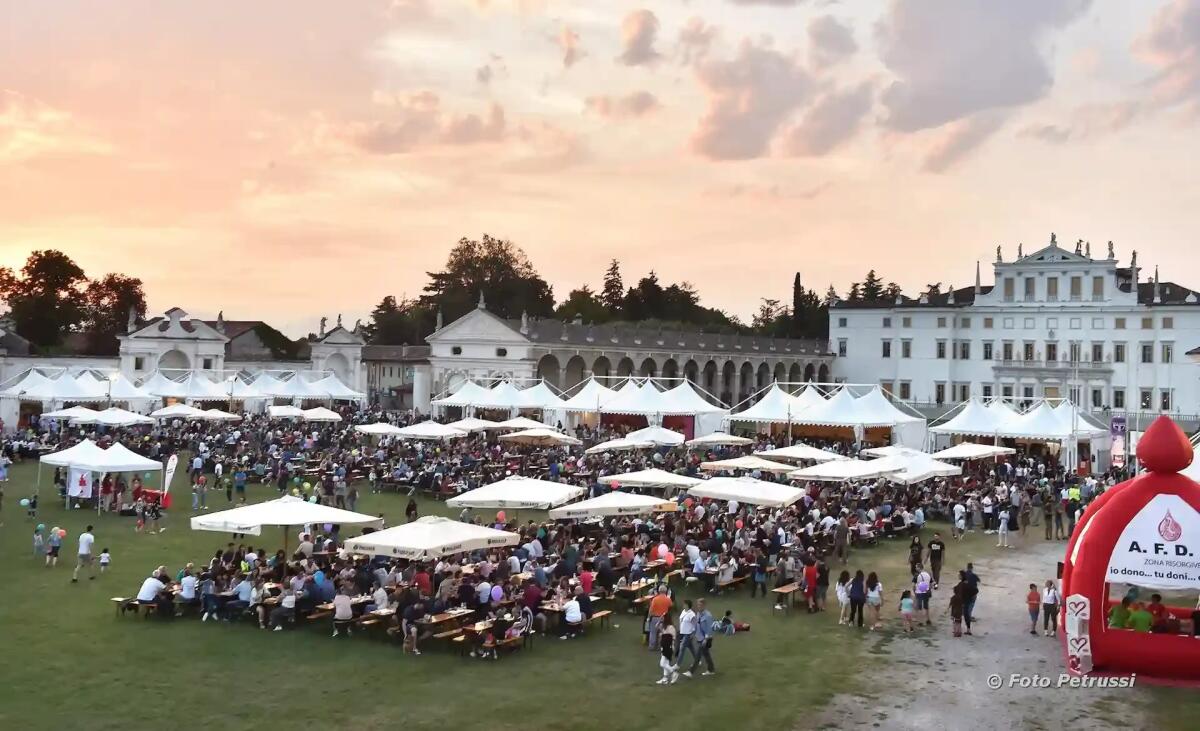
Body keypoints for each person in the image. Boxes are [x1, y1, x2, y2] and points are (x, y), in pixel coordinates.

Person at [685, 598, 715, 677]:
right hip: (700, 638)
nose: (699, 606)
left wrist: (706, 639)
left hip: (706, 639)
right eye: (698, 605)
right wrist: (693, 633)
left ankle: (691, 671)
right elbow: (697, 625)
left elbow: (709, 629)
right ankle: (711, 669)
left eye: (700, 605)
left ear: (704, 605)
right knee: (706, 654)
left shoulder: (708, 616)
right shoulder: (698, 614)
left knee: (698, 655)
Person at [656, 610, 679, 685]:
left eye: (663, 617)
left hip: (668, 647)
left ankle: (674, 673)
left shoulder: (671, 627)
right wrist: (660, 620)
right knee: (666, 663)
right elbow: (656, 626)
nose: (662, 618)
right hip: (664, 646)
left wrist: (662, 635)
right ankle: (665, 679)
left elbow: (672, 638)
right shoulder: (663, 626)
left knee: (662, 663)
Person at [647, 586, 672, 651]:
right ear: (666, 591)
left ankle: (652, 646)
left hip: (655, 618)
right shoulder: (668, 599)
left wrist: (649, 617)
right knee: (662, 633)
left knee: (653, 632)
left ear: (659, 591)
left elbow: (651, 609)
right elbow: (670, 606)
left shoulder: (655, 599)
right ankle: (660, 646)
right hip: (664, 618)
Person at [676, 599, 699, 667]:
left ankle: (677, 665)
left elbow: (695, 624)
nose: (683, 605)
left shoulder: (691, 614)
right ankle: (697, 660)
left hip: (688, 633)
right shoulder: (683, 611)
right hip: (682, 632)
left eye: (684, 604)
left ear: (687, 605)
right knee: (691, 648)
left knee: (682, 648)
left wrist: (693, 633)